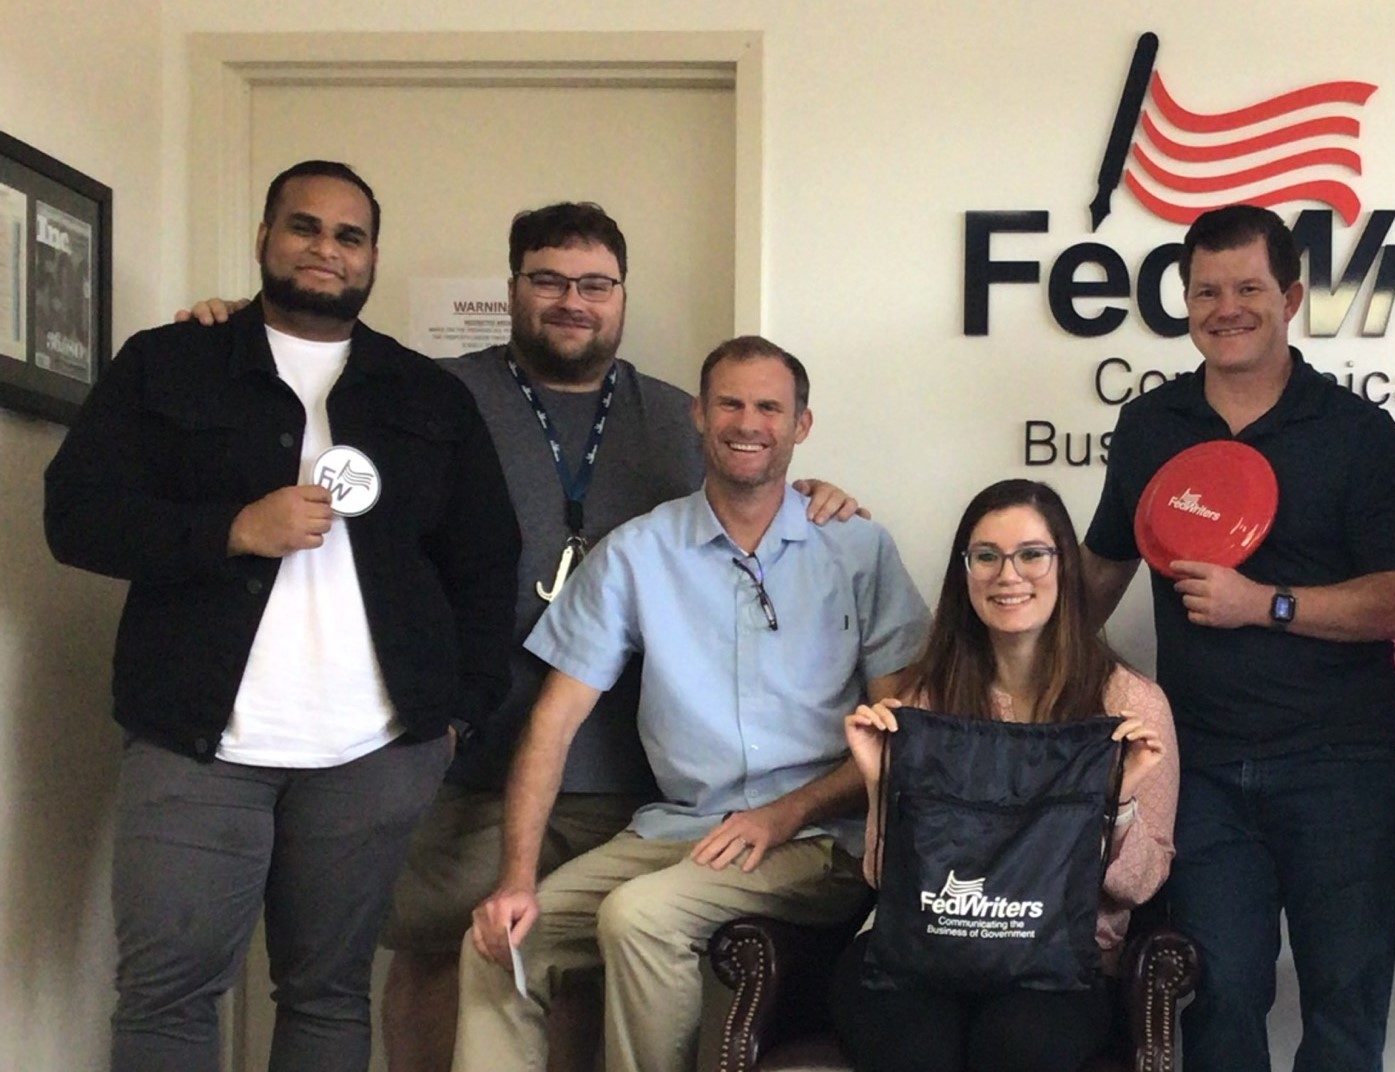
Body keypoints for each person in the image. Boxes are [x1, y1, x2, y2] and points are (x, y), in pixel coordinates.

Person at [176, 202, 865, 1072]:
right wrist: (225, 331)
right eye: (548, 280)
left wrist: (823, 497)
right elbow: (301, 390)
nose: (572, 301)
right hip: (465, 744)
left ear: (621, 296)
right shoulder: (431, 393)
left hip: (630, 769)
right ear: (512, 288)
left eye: (594, 284)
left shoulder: (669, 415)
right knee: (439, 949)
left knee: (579, 964)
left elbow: (758, 474)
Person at [44, 159, 519, 1072]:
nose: (325, 250)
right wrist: (230, 529)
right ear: (265, 239)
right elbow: (76, 517)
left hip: (373, 752)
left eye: (349, 236)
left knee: (328, 995)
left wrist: (455, 717)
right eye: (304, 227)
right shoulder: (170, 361)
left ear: (373, 257)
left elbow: (484, 566)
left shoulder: (428, 396)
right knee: (166, 997)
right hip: (196, 744)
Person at [453, 335, 930, 1072]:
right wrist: (515, 881)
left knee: (640, 917)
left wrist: (786, 814)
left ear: (801, 426)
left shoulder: (859, 550)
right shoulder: (637, 552)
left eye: (770, 407)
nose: (749, 422)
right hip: (677, 829)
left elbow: (900, 732)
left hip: (818, 841)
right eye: (731, 403)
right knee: (500, 939)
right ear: (698, 417)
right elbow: (553, 723)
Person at [1082, 204, 1395, 1072]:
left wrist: (1265, 604)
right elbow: (1097, 575)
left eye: (1247, 288)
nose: (1225, 307)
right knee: (1218, 998)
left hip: (1342, 767)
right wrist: (993, 652)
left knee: (1346, 1008)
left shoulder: (1358, 435)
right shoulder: (1151, 427)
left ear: (1292, 296)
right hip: (1199, 770)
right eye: (1206, 291)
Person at [835, 478, 1179, 1072]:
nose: (1008, 575)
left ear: (1065, 566)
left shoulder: (1130, 704)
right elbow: (883, 877)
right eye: (986, 556)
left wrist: (1115, 806)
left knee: (1014, 1051)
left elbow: (1140, 885)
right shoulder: (927, 699)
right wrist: (878, 783)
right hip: (924, 952)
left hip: (1056, 965)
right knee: (915, 1052)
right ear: (964, 572)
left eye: (1031, 554)